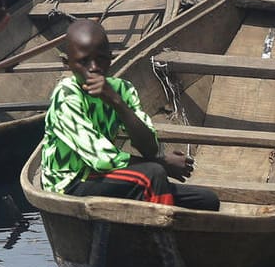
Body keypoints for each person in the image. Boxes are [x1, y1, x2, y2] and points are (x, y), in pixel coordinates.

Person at [40, 19, 219, 209]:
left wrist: (116, 101)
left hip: (106, 177)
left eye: (100, 59)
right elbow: (102, 159)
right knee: (153, 173)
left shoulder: (122, 89)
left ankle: (153, 221)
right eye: (84, 61)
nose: (93, 67)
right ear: (68, 63)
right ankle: (158, 235)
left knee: (207, 199)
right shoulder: (66, 95)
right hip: (68, 183)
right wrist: (163, 162)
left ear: (110, 58)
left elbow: (149, 147)